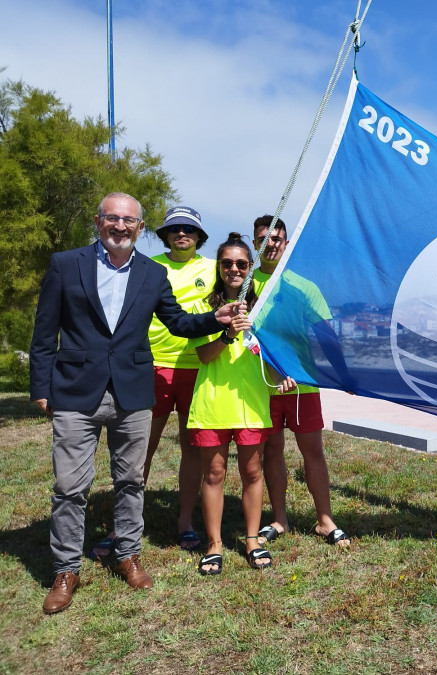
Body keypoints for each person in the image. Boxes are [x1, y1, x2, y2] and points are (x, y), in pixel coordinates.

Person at [30, 192, 243, 614]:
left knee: (131, 480)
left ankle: (129, 555)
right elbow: (44, 333)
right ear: (99, 221)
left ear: (140, 228)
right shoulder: (66, 264)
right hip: (75, 391)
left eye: (129, 221)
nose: (121, 227)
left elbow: (178, 321)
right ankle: (66, 570)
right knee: (70, 487)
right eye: (113, 219)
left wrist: (213, 320)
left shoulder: (152, 273)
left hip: (132, 391)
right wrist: (41, 387)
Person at [92, 206, 215, 558]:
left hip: (198, 368)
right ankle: (121, 527)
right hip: (151, 367)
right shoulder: (147, 266)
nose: (182, 235)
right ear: (163, 234)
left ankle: (186, 521)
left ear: (199, 237)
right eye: (174, 229)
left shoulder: (212, 269)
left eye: (189, 230)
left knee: (192, 449)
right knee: (139, 450)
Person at [187, 233, 288, 575]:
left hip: (251, 402)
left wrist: (282, 375)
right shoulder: (204, 305)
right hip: (213, 402)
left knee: (252, 472)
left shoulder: (264, 307)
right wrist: (227, 332)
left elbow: (272, 359)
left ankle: (251, 539)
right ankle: (214, 544)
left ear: (250, 268)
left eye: (241, 264)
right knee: (214, 473)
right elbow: (204, 355)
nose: (234, 269)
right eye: (227, 263)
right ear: (219, 266)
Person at [252, 215, 351, 548]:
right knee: (272, 452)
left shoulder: (303, 286)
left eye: (277, 238)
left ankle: (325, 520)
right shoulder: (243, 284)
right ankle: (279, 519)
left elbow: (327, 335)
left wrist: (344, 374)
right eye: (264, 238)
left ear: (286, 244)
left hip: (302, 385)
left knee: (313, 451)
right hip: (261, 385)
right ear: (255, 244)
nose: (271, 244)